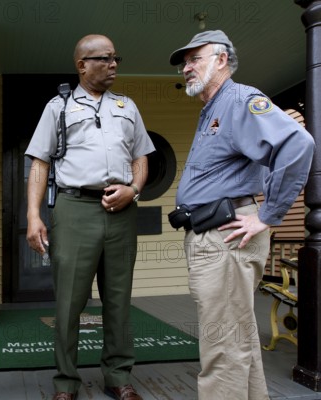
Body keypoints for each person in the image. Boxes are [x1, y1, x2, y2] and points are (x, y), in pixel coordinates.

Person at [169, 30, 314, 399]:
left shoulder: (240, 100)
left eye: (194, 58)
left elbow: (297, 144)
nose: (186, 67)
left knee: (222, 345)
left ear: (221, 59)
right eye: (184, 61)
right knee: (238, 337)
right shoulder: (213, 108)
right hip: (214, 235)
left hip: (226, 235)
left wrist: (269, 215)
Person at [25, 34, 155, 400]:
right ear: (82, 64)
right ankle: (66, 383)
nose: (114, 64)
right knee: (69, 302)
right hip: (74, 209)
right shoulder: (58, 107)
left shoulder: (127, 107)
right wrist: (34, 215)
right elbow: (40, 162)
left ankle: (118, 377)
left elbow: (141, 157)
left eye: (116, 58)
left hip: (122, 210)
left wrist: (135, 189)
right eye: (105, 58)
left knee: (118, 298)